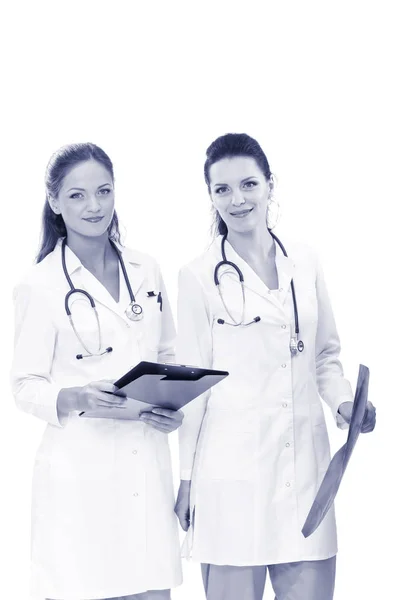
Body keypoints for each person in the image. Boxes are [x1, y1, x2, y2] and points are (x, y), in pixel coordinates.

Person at [174, 133, 376, 600]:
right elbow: (193, 386)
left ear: (269, 184)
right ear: (210, 197)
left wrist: (346, 403)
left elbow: (324, 355)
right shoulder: (198, 276)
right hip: (230, 479)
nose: (237, 199)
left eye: (248, 184)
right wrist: (186, 482)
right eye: (221, 189)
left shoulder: (304, 262)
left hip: (306, 475)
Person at [11, 143, 183, 600]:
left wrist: (173, 408)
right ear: (54, 203)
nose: (94, 206)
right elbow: (24, 387)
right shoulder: (40, 284)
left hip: (145, 467)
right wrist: (77, 397)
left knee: (149, 588)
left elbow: (167, 352)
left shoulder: (146, 269)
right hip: (79, 475)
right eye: (77, 196)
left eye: (103, 191)